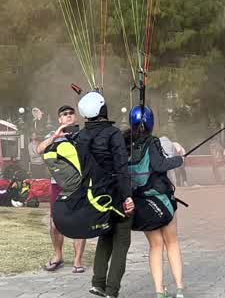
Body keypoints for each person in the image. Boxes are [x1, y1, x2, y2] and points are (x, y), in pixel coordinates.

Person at [77, 91, 134, 298]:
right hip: (116, 194)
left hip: (94, 196)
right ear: (102, 109)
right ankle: (112, 290)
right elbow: (121, 167)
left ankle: (97, 283)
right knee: (121, 242)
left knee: (104, 238)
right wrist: (127, 196)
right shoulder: (112, 133)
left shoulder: (81, 136)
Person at [128, 106, 185, 298]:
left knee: (155, 246)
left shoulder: (125, 145)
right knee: (172, 242)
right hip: (161, 199)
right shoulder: (152, 142)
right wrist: (179, 160)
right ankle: (179, 288)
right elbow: (160, 165)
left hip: (142, 202)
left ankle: (159, 291)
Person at [38, 104, 86, 274]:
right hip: (57, 185)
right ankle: (58, 256)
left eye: (71, 113)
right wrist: (55, 136)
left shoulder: (82, 135)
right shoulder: (53, 136)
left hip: (79, 184)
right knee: (56, 223)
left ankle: (78, 261)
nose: (68, 116)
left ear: (76, 117)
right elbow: (39, 150)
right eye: (64, 114)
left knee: (79, 221)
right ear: (59, 119)